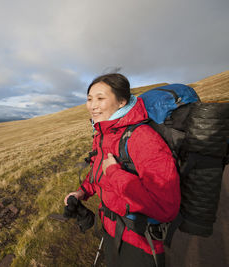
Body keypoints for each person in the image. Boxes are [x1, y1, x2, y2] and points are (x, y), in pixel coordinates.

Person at [64, 73, 180, 267]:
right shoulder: (104, 133)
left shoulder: (142, 138)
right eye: (89, 99)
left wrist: (115, 173)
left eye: (100, 98)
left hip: (139, 241)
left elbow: (165, 207)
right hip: (111, 229)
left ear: (121, 102)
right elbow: (98, 172)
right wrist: (82, 191)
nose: (92, 105)